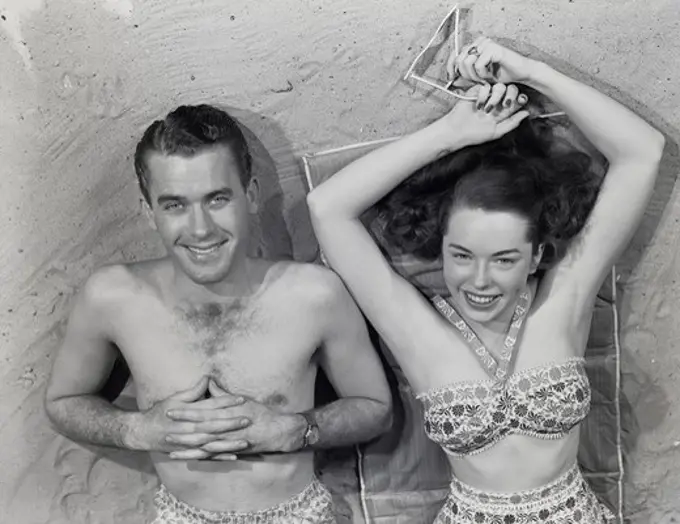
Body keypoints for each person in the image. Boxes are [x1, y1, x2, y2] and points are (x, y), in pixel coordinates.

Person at [307, 37, 664, 523]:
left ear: (536, 254)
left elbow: (643, 152)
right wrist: (451, 132)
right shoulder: (415, 328)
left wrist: (534, 71)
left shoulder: (566, 296)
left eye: (503, 259)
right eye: (461, 255)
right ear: (442, 247)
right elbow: (327, 208)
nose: (479, 280)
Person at [44, 104, 393, 524]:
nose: (201, 228)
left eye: (217, 198)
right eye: (174, 205)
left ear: (250, 195)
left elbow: (375, 407)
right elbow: (63, 402)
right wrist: (135, 430)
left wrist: (297, 429)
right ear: (147, 210)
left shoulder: (314, 294)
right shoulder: (112, 297)